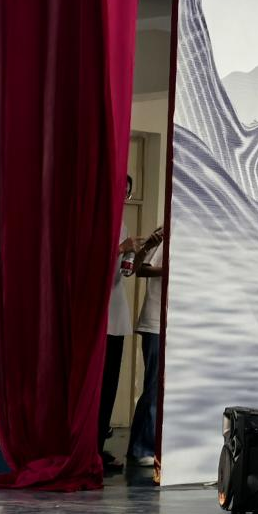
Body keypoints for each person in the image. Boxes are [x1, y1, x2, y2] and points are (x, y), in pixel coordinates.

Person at [99, 175, 141, 473]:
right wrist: (122, 246)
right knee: (97, 386)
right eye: (119, 191)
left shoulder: (122, 224)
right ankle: (88, 447)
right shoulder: (97, 221)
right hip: (97, 315)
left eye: (127, 193)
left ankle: (99, 445)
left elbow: (124, 271)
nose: (123, 198)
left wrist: (136, 251)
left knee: (110, 386)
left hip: (116, 312)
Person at [127, 226, 165, 467]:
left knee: (158, 387)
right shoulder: (166, 236)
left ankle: (139, 446)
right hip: (156, 323)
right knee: (154, 387)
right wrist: (172, 270)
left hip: (172, 323)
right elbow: (140, 270)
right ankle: (143, 447)